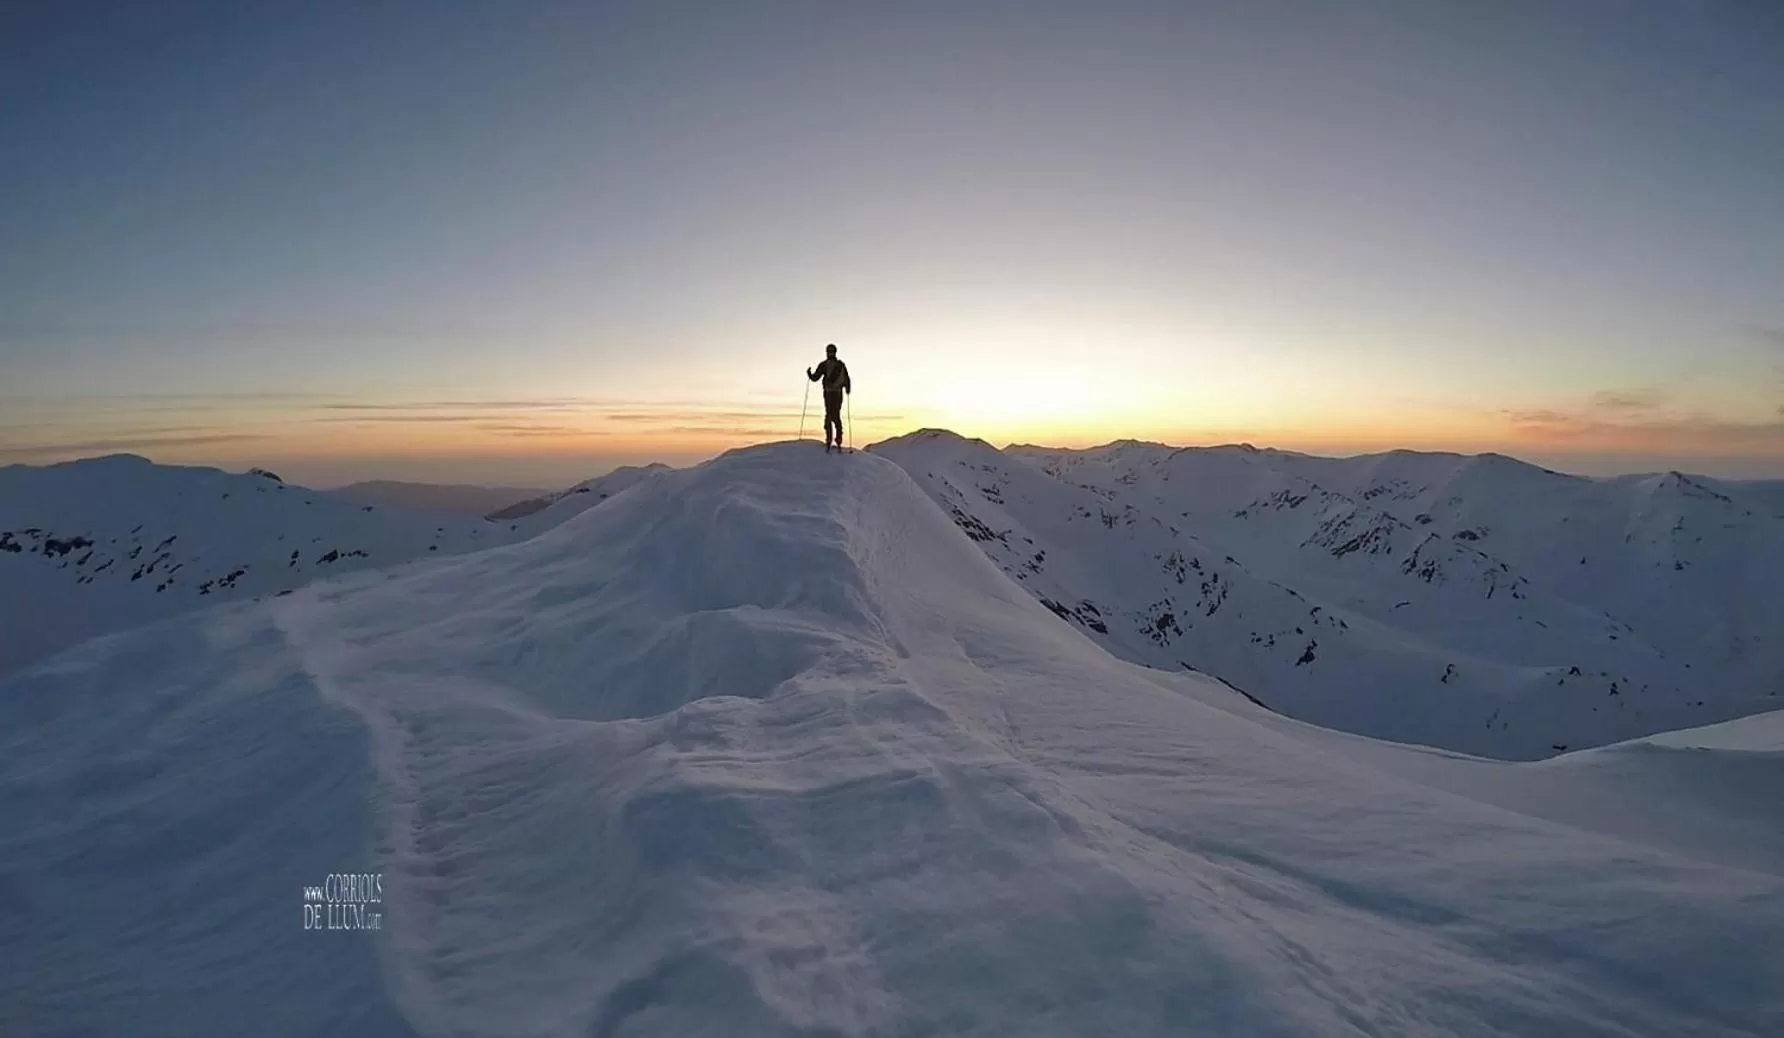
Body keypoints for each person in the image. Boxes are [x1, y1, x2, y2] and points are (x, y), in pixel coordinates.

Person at [806, 344, 852, 451]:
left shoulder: (824, 365)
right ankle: (838, 439)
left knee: (829, 415)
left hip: (828, 393)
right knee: (835, 415)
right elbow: (847, 379)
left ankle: (829, 439)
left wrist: (809, 375)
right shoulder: (840, 365)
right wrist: (847, 389)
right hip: (838, 393)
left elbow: (815, 377)